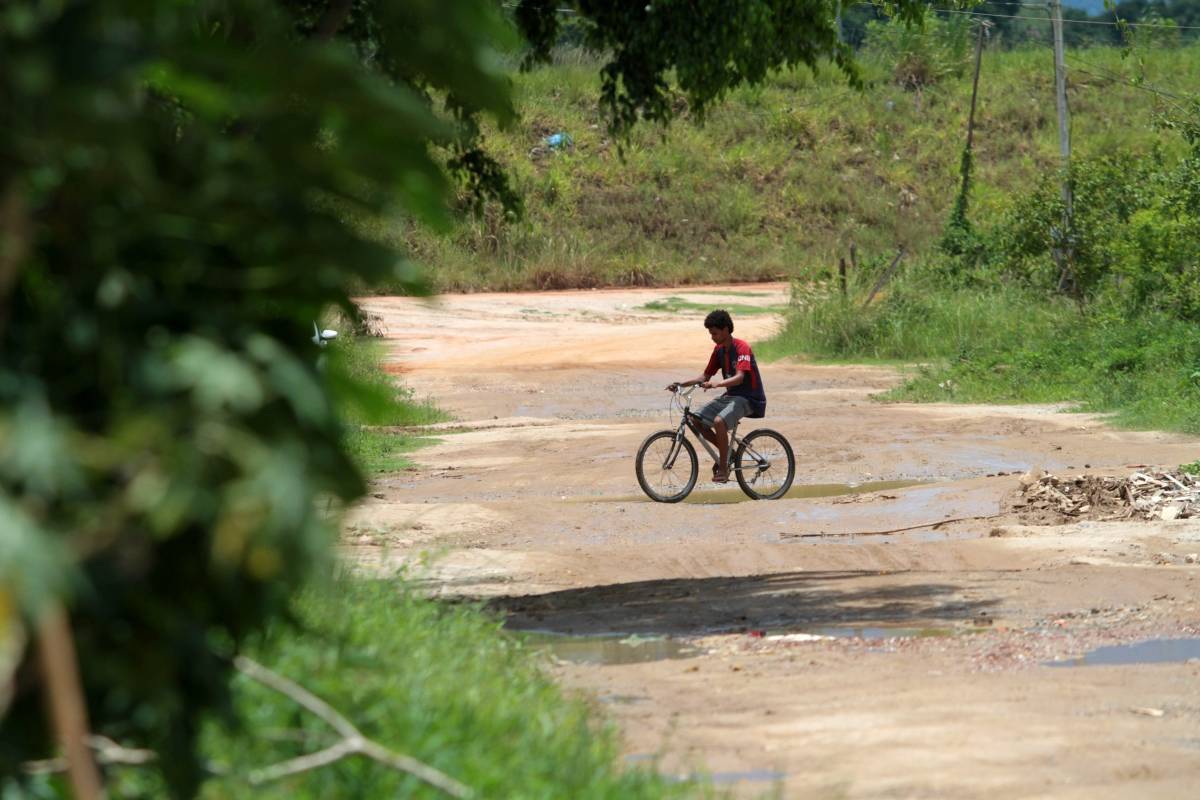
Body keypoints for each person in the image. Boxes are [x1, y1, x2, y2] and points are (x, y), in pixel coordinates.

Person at [666, 309, 767, 483]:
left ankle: (724, 467)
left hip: (749, 398)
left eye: (715, 333)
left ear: (726, 330)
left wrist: (717, 384)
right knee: (696, 420)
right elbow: (704, 377)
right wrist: (681, 384)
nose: (712, 337)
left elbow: (740, 377)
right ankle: (729, 453)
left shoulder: (742, 347)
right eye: (710, 334)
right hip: (731, 396)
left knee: (719, 422)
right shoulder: (719, 350)